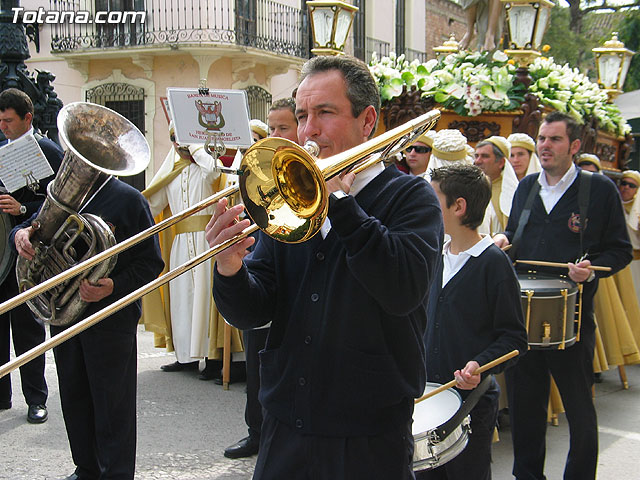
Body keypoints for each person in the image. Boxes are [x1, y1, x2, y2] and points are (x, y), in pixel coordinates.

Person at [206, 55, 443, 479]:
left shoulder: (411, 198)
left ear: (367, 120)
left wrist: (342, 204)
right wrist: (229, 269)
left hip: (369, 436)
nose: (308, 130)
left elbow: (402, 289)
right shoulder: (290, 201)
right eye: (301, 115)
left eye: (325, 113)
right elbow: (254, 310)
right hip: (285, 424)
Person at [493, 111, 632, 480]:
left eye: (553, 140)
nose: (544, 146)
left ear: (574, 146)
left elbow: (619, 251)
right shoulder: (527, 187)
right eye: (541, 139)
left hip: (573, 317)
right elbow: (514, 237)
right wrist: (504, 242)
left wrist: (590, 270)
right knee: (525, 409)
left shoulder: (598, 190)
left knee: (579, 409)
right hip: (524, 318)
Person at [12, 172, 164, 480]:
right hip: (65, 313)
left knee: (113, 404)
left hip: (111, 320)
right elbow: (35, 228)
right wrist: (21, 233)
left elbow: (151, 263)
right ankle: (87, 468)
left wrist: (113, 286)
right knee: (73, 394)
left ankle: (116, 473)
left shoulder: (130, 200)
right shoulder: (63, 193)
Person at [416, 164, 527, 480]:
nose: (425, 205)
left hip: (471, 403)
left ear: (459, 206)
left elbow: (514, 339)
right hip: (428, 398)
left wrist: (480, 365)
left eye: (432, 198)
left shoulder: (494, 263)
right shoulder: (435, 253)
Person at [224, 97, 300, 460]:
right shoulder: (262, 171)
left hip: (293, 294)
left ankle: (272, 431)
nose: (273, 135)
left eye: (282, 128)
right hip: (262, 271)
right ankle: (256, 431)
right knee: (257, 361)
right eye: (270, 129)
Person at [142, 123, 243, 379]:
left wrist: (197, 146)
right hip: (180, 245)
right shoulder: (170, 173)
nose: (178, 143)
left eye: (183, 137)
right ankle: (185, 356)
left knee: (206, 300)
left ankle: (212, 358)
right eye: (174, 138)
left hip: (207, 241)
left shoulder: (208, 168)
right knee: (182, 301)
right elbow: (151, 206)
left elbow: (212, 170)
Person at [0, 88, 64, 424]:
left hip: (30, 253)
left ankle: (36, 399)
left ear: (27, 118)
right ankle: (1, 396)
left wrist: (23, 208)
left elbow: (60, 205)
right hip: (0, 254)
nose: (3, 127)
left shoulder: (49, 151)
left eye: (8, 120)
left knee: (28, 329)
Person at [474, 136, 518, 235]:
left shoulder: (510, 190)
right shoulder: (470, 187)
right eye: (476, 156)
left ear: (501, 162)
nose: (477, 161)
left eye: (485, 156)